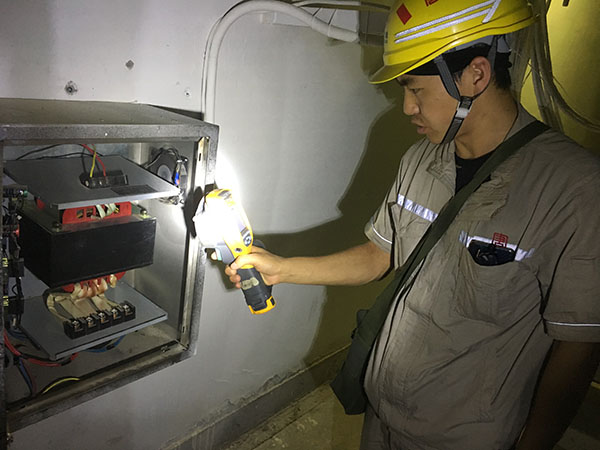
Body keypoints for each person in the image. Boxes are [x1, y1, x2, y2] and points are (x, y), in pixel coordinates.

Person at [225, 0, 600, 448]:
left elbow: (577, 343)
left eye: (415, 89)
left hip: (463, 436)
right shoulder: (422, 159)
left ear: (476, 75)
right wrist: (282, 269)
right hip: (384, 410)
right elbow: (379, 255)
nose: (406, 107)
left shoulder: (574, 189)